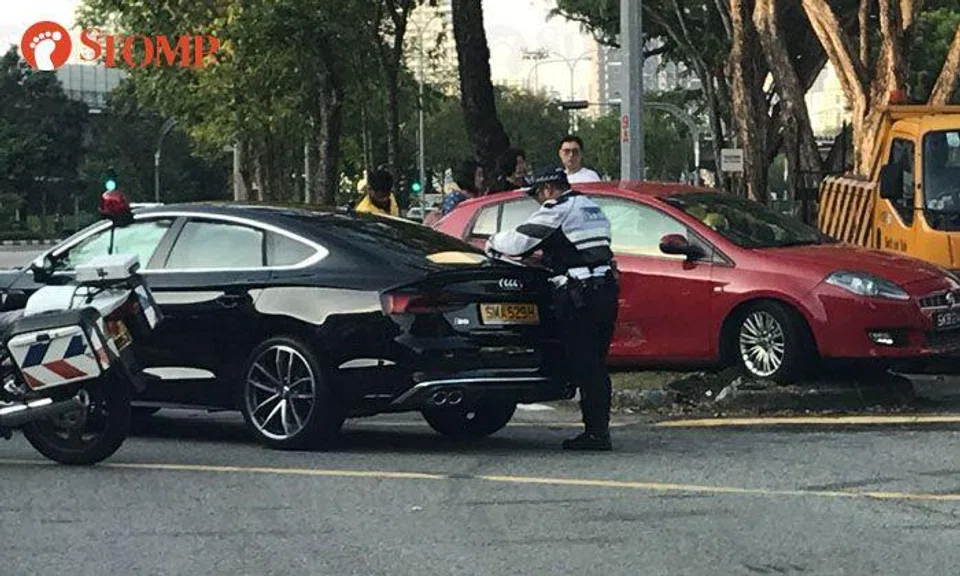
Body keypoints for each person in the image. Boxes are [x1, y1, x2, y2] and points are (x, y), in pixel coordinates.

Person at [484, 167, 619, 450]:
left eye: (537, 195)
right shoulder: (590, 207)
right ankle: (598, 429)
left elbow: (519, 241)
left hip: (579, 295)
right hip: (604, 290)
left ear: (547, 189)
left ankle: (596, 434)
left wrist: (491, 242)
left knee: (585, 363)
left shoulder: (558, 208)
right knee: (596, 363)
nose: (537, 201)